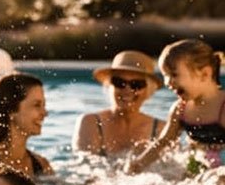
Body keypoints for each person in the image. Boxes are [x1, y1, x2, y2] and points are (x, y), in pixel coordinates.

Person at [125, 39, 225, 174]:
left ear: (204, 74)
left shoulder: (222, 107)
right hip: (197, 170)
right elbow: (164, 142)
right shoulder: (180, 109)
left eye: (174, 75)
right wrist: (138, 164)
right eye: (165, 76)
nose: (167, 82)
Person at [72, 50, 166, 157]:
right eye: (119, 83)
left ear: (148, 90)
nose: (127, 90)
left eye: (136, 84)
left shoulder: (161, 129)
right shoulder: (90, 122)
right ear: (109, 85)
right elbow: (84, 167)